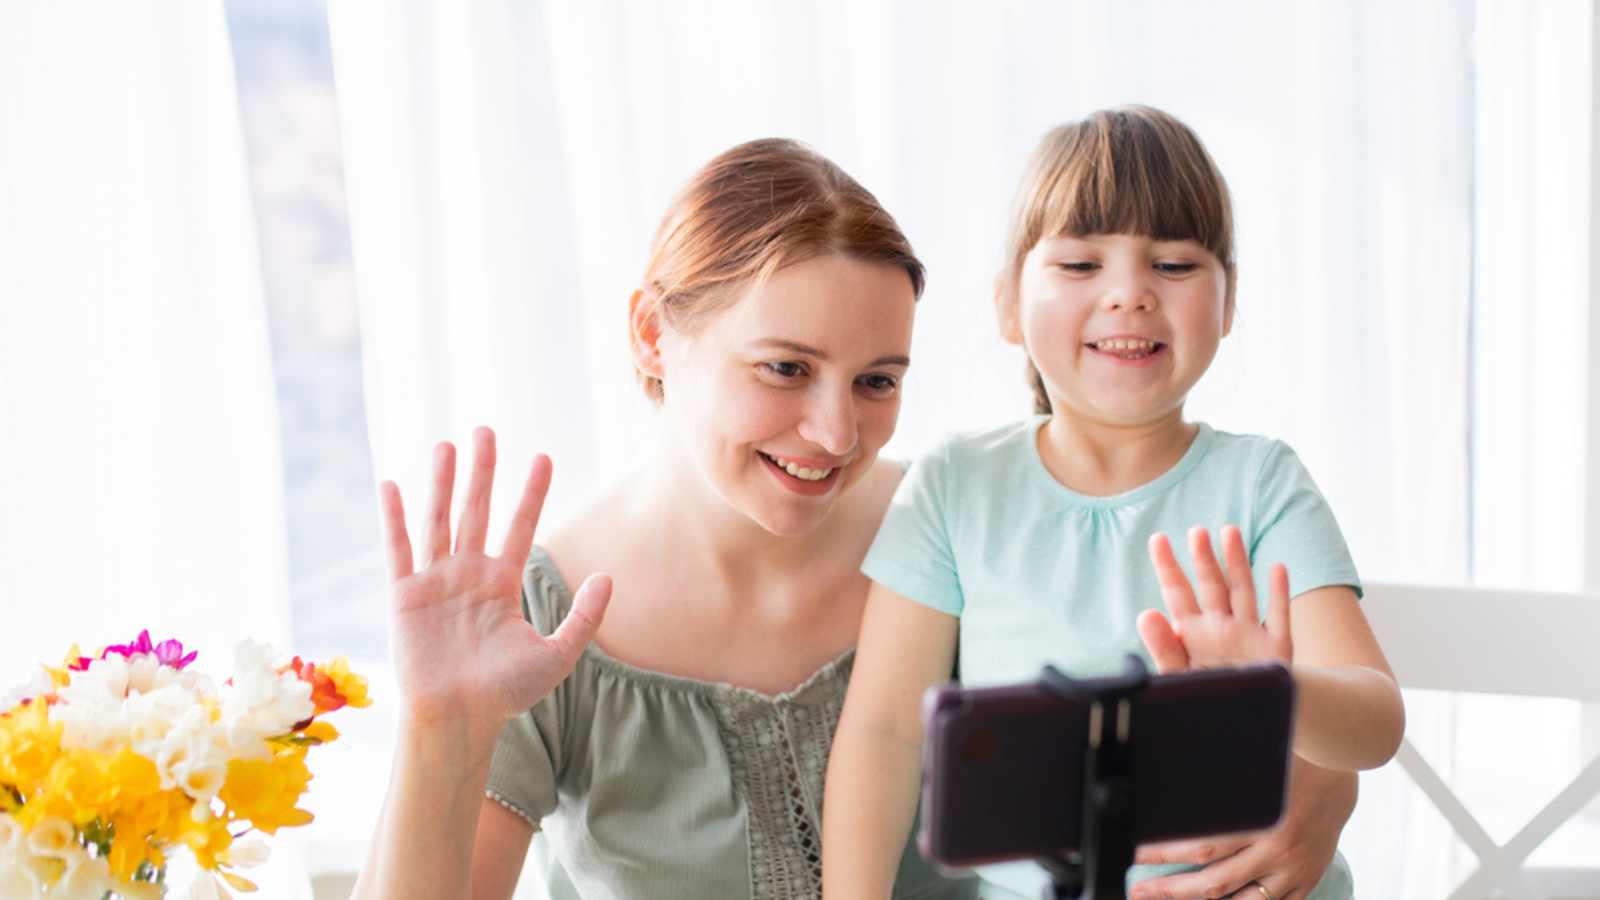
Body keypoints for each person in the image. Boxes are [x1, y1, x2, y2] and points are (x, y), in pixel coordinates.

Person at [349, 138, 975, 899]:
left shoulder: (953, 537)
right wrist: (439, 727)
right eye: (786, 369)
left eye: (876, 381)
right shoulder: (539, 617)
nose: (837, 434)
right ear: (652, 335)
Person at [821, 106, 1405, 900]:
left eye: (1173, 264)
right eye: (1080, 265)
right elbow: (884, 735)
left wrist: (1275, 694)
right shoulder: (955, 484)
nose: (1130, 294)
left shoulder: (1263, 483)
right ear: (1006, 306)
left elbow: (1376, 721)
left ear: (1229, 305)